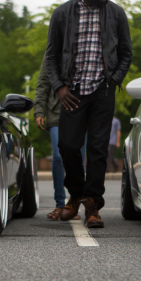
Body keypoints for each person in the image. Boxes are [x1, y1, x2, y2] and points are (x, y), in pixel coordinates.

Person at [44, 0, 132, 228]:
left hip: (102, 91)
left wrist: (114, 80)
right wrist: (60, 87)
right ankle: (76, 194)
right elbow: (51, 56)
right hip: (72, 92)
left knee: (97, 150)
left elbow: (126, 53)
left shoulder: (116, 14)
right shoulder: (62, 14)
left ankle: (93, 206)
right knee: (67, 146)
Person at [34, 57, 87, 221]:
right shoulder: (51, 55)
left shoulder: (84, 47)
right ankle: (59, 203)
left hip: (81, 112)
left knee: (79, 159)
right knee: (58, 156)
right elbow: (43, 84)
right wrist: (39, 110)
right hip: (57, 113)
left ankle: (73, 204)